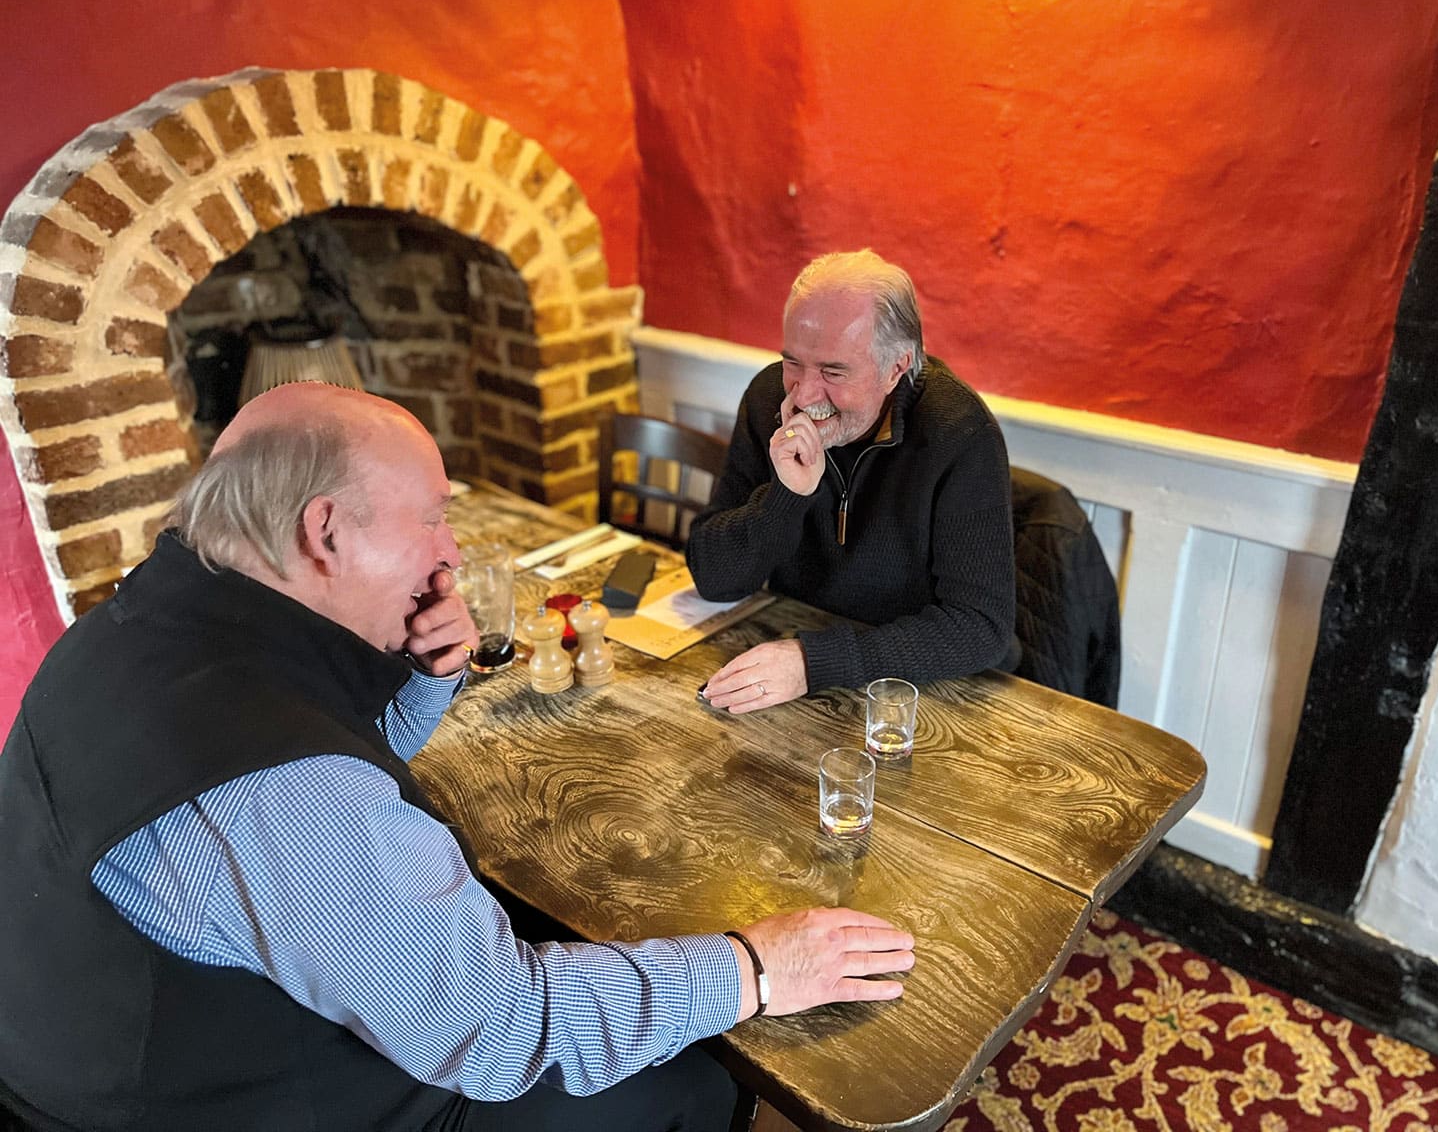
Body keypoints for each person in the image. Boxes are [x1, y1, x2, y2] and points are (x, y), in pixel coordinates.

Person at [0, 383, 915, 1132]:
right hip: (216, 1104)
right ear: (325, 531)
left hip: (92, 1049)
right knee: (692, 1080)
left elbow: (325, 781)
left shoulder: (129, 629)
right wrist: (754, 967)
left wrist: (426, 678)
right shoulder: (288, 792)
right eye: (432, 520)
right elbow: (504, 1029)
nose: (450, 552)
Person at [688, 250, 1016, 713]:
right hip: (786, 670)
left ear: (895, 369)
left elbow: (980, 626)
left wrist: (813, 662)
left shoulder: (959, 433)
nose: (803, 394)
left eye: (833, 371)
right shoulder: (767, 400)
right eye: (793, 363)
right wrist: (786, 495)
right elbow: (714, 578)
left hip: (910, 691)